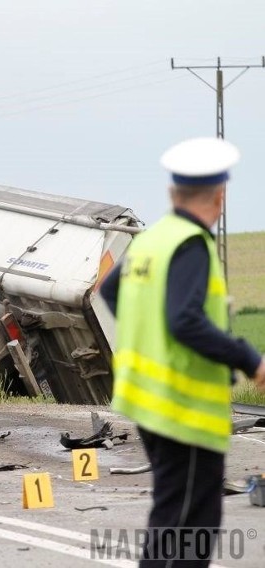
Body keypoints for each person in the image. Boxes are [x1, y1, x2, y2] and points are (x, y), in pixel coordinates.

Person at [99, 137, 265, 567]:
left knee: (171, 520)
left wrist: (146, 339)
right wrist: (250, 359)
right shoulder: (191, 243)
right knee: (189, 532)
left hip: (149, 401)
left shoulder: (154, 238)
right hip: (182, 408)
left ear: (174, 192)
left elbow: (111, 290)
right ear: (220, 194)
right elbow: (185, 321)